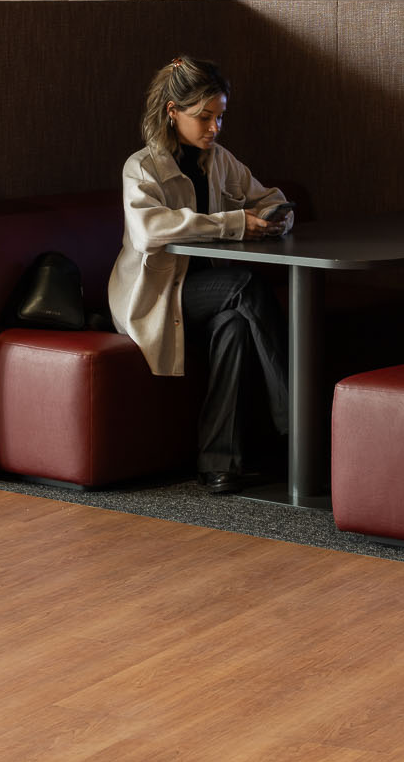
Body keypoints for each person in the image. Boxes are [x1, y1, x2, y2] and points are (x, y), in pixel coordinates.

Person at [108, 54, 292, 494]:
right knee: (245, 288)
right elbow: (149, 230)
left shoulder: (219, 160)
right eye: (204, 117)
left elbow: (268, 196)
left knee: (233, 325)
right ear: (173, 112)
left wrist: (277, 216)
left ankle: (218, 464)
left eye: (220, 117)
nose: (214, 128)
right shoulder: (142, 167)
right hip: (151, 297)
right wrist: (234, 223)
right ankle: (297, 424)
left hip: (205, 294)